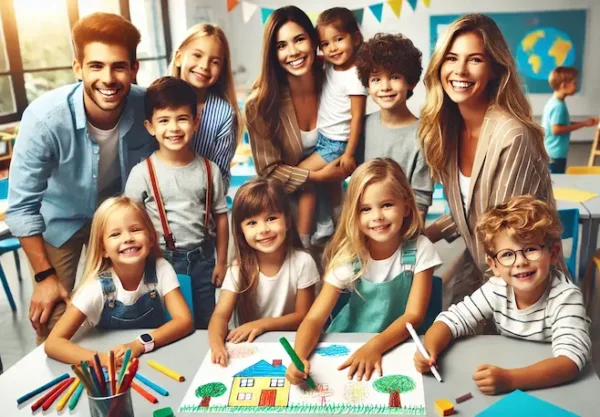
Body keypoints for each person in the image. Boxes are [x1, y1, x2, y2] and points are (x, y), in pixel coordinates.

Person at [6, 12, 155, 344]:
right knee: (56, 323)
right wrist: (44, 277)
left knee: (134, 310)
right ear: (78, 68)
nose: (108, 78)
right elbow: (21, 208)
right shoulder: (45, 119)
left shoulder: (147, 106)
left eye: (119, 66)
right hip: (60, 222)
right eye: (96, 66)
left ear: (134, 69)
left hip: (118, 220)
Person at [418, 14, 566, 306]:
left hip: (527, 292)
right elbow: (472, 207)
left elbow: (508, 231)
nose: (460, 70)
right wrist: (421, 236)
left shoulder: (512, 136)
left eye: (475, 60)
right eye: (451, 58)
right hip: (487, 277)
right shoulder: (446, 132)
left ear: (495, 70)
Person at [414, 195, 591, 395]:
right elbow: (451, 320)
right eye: (507, 254)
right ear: (494, 265)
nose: (520, 262)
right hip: (510, 374)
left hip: (550, 386)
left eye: (531, 249)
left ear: (554, 253)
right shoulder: (496, 289)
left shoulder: (566, 298)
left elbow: (570, 362)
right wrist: (429, 350)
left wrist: (510, 379)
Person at [286, 158, 442, 384]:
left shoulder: (420, 249)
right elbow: (315, 318)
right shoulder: (350, 257)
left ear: (406, 206)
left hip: (401, 344)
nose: (377, 216)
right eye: (366, 209)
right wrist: (298, 357)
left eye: (387, 205)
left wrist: (375, 347)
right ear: (354, 216)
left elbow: (413, 316)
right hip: (351, 343)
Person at [125, 77, 229, 329]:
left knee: (205, 322)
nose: (174, 128)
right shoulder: (142, 173)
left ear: (195, 123)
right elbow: (130, 221)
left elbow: (221, 218)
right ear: (150, 127)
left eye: (182, 119)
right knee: (168, 323)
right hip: (160, 261)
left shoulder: (209, 169)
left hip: (204, 260)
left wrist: (222, 261)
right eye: (164, 120)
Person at [44, 197, 194, 366]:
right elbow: (53, 344)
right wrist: (104, 360)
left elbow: (184, 321)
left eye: (135, 229)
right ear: (103, 249)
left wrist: (139, 345)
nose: (128, 238)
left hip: (149, 361)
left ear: (151, 238)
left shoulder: (161, 268)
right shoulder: (95, 288)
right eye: (115, 234)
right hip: (106, 368)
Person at [246, 6, 350, 247]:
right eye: (281, 45)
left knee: (339, 272)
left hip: (335, 196)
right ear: (272, 53)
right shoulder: (261, 103)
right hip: (287, 203)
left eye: (299, 39)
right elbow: (268, 170)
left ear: (313, 40)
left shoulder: (333, 77)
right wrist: (317, 176)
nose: (293, 52)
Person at [208, 179, 319, 366]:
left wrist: (262, 325)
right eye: (252, 223)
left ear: (288, 221)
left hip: (294, 346)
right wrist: (217, 345)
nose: (264, 229)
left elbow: (303, 315)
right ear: (241, 231)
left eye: (271, 218)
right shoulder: (237, 269)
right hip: (251, 348)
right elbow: (219, 316)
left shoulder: (303, 261)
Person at [295, 7, 367, 244]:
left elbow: (357, 117)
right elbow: (307, 58)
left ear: (355, 38)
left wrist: (348, 152)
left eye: (339, 39)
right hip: (324, 138)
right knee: (332, 186)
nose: (333, 48)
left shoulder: (356, 76)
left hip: (337, 143)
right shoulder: (329, 64)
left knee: (302, 176)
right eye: (325, 44)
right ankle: (338, 227)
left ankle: (320, 227)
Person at [355, 33, 432, 219]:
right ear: (367, 85)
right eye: (376, 79)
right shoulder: (361, 126)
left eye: (394, 77)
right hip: (364, 226)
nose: (385, 87)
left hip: (403, 230)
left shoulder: (424, 135)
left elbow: (420, 201)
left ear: (411, 82)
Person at [170, 23, 242, 192]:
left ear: (222, 70)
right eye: (197, 55)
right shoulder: (155, 101)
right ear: (179, 57)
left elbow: (221, 175)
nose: (204, 66)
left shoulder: (224, 114)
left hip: (202, 204)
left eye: (214, 61)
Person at [542, 66, 599, 174]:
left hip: (551, 152)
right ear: (564, 85)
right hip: (555, 154)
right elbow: (556, 129)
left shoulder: (553, 102)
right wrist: (583, 124)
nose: (576, 85)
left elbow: (562, 124)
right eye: (574, 83)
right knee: (556, 183)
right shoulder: (558, 106)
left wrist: (584, 123)